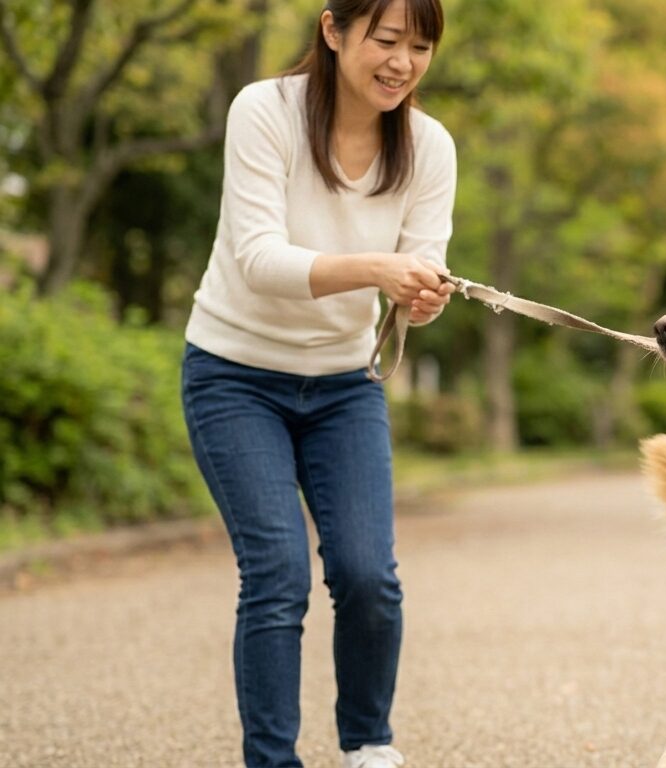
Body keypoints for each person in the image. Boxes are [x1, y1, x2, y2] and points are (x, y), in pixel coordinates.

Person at [180, 1, 454, 766]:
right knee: (277, 576)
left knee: (369, 579)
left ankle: (368, 744)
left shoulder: (429, 146)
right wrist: (380, 270)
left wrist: (419, 298)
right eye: (388, 40)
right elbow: (259, 260)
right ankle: (273, 760)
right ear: (333, 30)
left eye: (421, 46)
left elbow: (419, 276)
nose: (403, 62)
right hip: (235, 376)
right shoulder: (264, 111)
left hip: (342, 386)